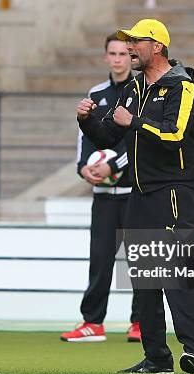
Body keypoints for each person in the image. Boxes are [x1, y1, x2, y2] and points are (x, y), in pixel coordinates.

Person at [77, 19, 194, 374]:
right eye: (128, 41)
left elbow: (176, 136)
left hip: (174, 193)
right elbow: (107, 136)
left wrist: (133, 121)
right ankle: (157, 358)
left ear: (157, 46)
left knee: (177, 273)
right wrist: (87, 122)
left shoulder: (183, 86)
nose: (131, 47)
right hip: (140, 194)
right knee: (145, 278)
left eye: (136, 41)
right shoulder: (135, 86)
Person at [60, 33, 141, 343]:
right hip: (104, 197)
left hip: (135, 194)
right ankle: (93, 323)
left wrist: (115, 166)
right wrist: (83, 168)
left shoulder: (140, 91)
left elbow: (136, 140)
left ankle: (140, 323)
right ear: (106, 56)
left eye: (124, 53)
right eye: (113, 53)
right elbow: (86, 136)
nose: (118, 58)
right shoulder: (96, 92)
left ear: (131, 57)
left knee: (140, 262)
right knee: (100, 260)